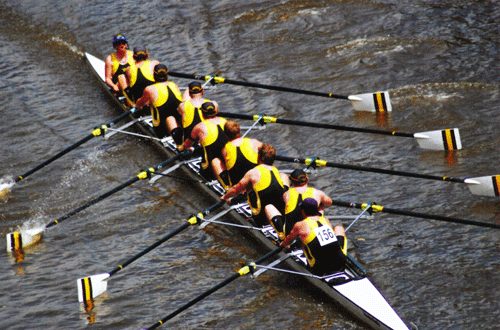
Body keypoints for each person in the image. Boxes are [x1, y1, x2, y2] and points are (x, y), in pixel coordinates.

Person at [221, 144, 289, 234]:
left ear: (259, 156)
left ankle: (252, 204)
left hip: (261, 217)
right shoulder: (275, 170)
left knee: (249, 186)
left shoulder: (253, 172)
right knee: (283, 177)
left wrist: (225, 197)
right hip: (277, 212)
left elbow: (235, 189)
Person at [280, 198, 347, 276]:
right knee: (339, 228)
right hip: (341, 263)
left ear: (303, 211)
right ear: (317, 210)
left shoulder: (300, 225)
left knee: (303, 241)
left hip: (320, 269)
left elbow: (288, 241)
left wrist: (281, 245)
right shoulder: (325, 220)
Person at [134, 63, 184, 144]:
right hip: (179, 124)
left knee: (151, 105)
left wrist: (136, 106)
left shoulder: (150, 89)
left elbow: (140, 102)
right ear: (167, 75)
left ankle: (179, 145)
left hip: (161, 129)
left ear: (153, 76)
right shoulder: (174, 85)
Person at [181, 101, 227, 181]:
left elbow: (187, 145)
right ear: (215, 112)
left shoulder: (199, 127)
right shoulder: (225, 121)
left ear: (202, 114)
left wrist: (186, 149)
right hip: (227, 163)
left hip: (208, 170)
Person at [212, 120, 263, 189]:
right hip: (255, 180)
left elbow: (228, 167)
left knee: (215, 161)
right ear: (239, 130)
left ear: (226, 136)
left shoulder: (225, 150)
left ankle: (227, 188)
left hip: (238, 185)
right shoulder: (254, 142)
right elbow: (267, 154)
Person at [283, 168, 332, 237]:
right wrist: (320, 202)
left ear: (292, 182)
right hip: (311, 236)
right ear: (307, 179)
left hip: (291, 235)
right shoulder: (317, 193)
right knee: (320, 205)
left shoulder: (286, 194)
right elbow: (329, 202)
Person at [177, 81, 218, 147]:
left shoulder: (182, 106)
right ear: (202, 92)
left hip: (189, 144)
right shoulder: (213, 104)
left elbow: (180, 112)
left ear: (189, 94)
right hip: (208, 142)